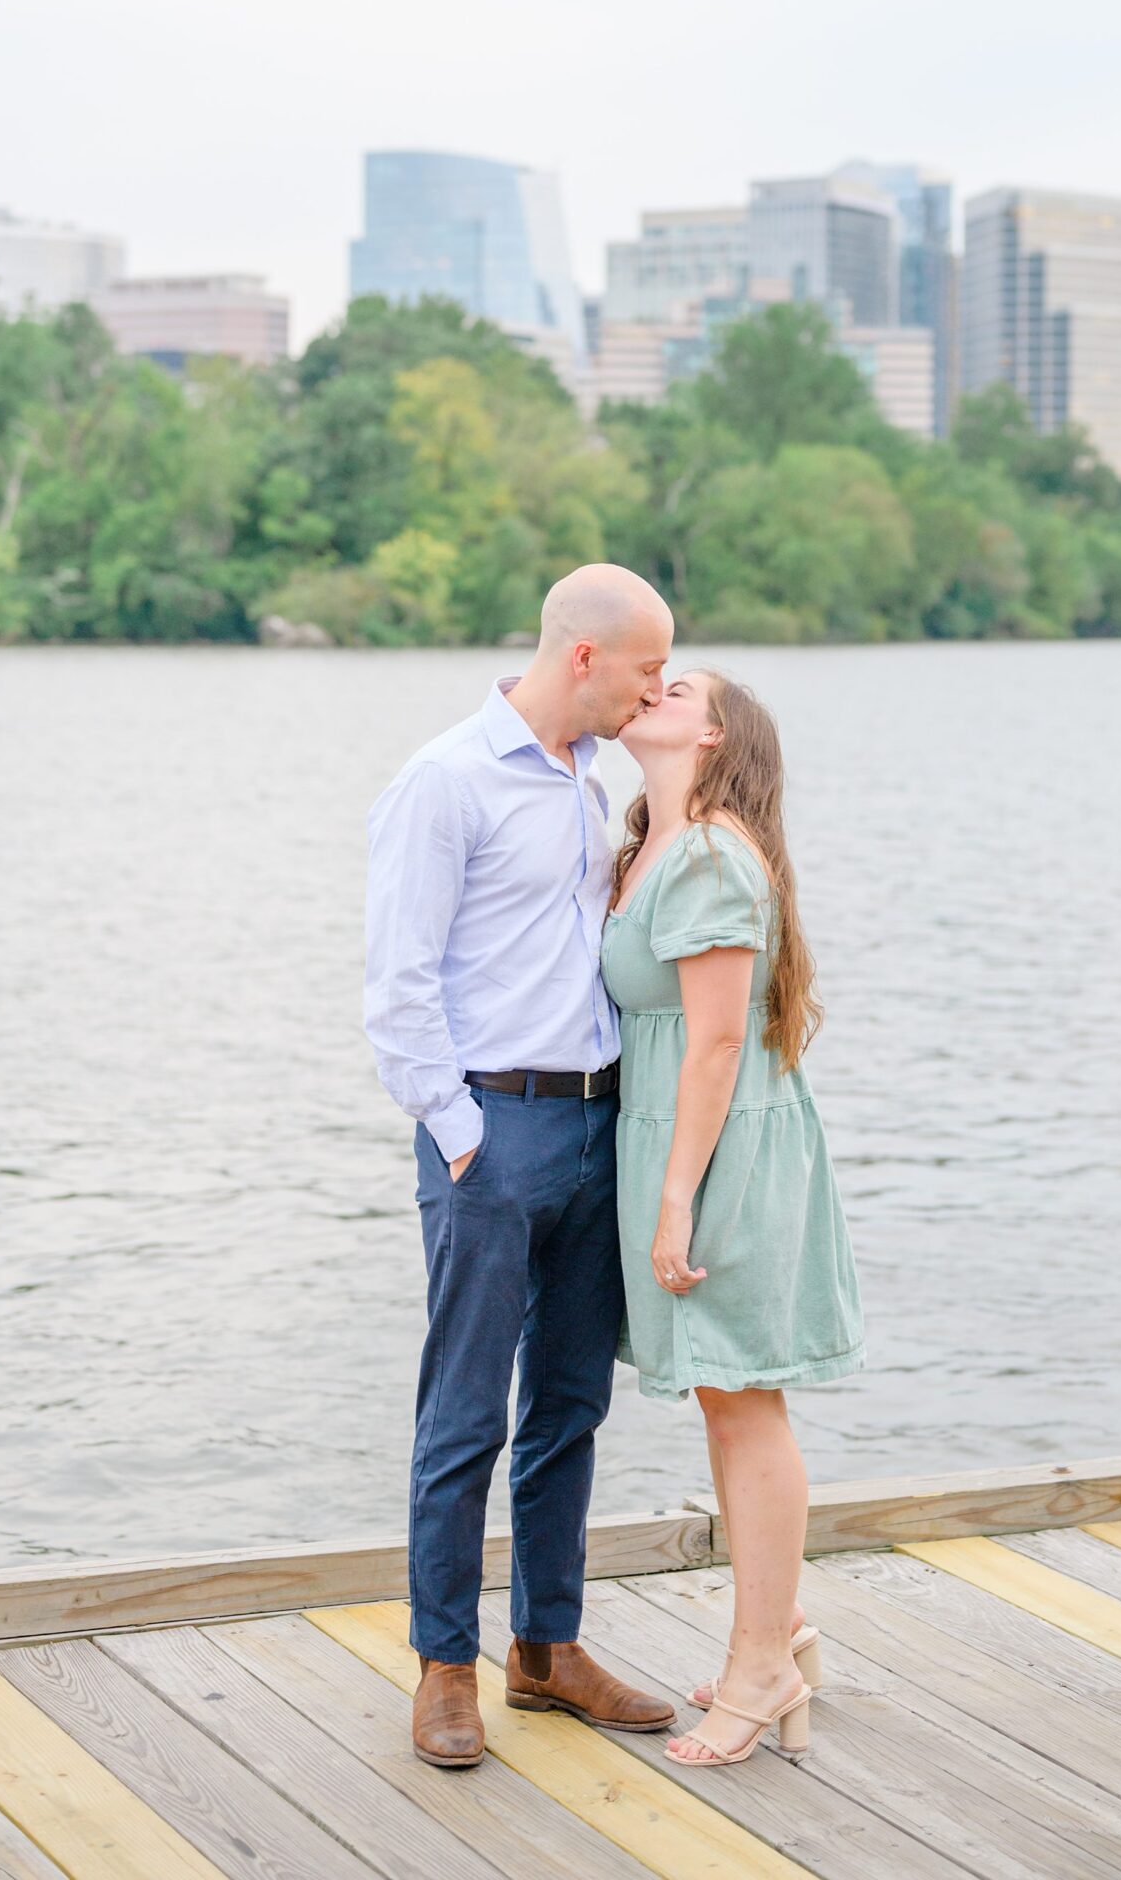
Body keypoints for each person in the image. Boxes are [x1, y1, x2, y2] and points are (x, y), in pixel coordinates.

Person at [363, 563, 678, 1770]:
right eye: (649, 666)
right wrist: (460, 1135)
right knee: (463, 1412)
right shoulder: (443, 781)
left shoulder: (589, 780)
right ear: (585, 655)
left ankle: (546, 1649)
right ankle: (445, 1664)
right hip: (492, 1135)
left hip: (596, 1128)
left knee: (568, 1405)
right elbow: (397, 988)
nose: (657, 687)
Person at [602, 667, 864, 1770]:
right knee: (726, 1403)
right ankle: (779, 1629)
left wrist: (674, 1199)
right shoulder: (651, 844)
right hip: (691, 1139)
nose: (651, 686)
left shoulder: (709, 851)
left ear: (713, 733)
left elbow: (713, 1041)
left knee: (745, 1404)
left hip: (719, 1154)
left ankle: (759, 1662)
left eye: (678, 685)